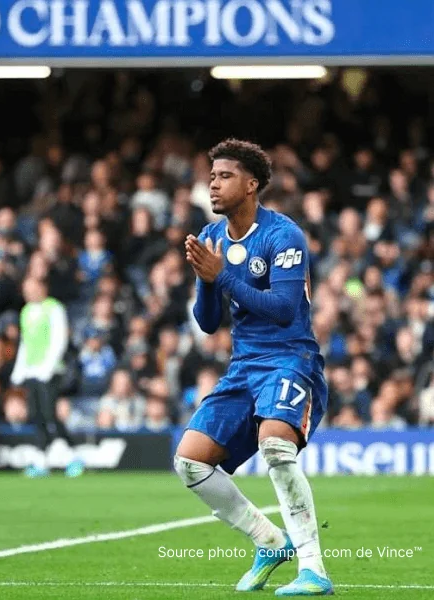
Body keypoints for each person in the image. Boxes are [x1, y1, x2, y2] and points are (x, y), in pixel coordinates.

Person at [176, 139, 333, 596]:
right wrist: (207, 280)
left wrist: (221, 275)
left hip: (291, 358)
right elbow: (207, 323)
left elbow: (284, 309)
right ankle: (268, 541)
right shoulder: (211, 238)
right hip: (244, 365)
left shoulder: (283, 235)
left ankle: (315, 571)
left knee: (276, 449)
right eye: (211, 176)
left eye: (224, 176)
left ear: (251, 185)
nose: (213, 183)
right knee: (189, 461)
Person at [10, 276, 83, 478]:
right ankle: (41, 460)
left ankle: (71, 456)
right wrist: (19, 370)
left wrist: (47, 367)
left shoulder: (54, 308)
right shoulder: (25, 312)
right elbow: (25, 344)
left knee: (50, 414)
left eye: (32, 288)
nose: (28, 293)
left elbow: (59, 339)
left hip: (50, 372)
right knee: (37, 415)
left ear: (42, 288)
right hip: (33, 371)